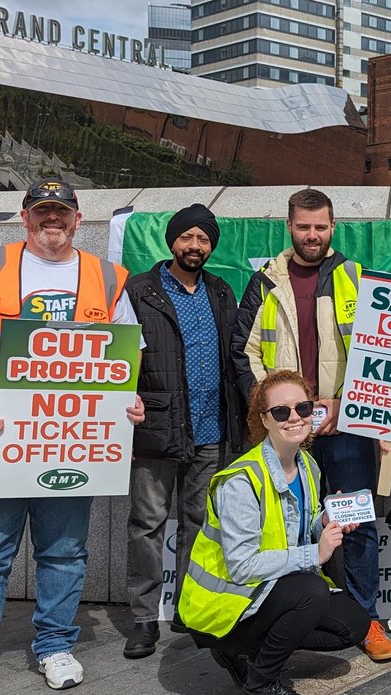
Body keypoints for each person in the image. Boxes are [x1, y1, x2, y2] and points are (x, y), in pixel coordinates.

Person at [0, 178, 145, 695]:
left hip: (69, 442)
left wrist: (129, 402)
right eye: (42, 211)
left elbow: (124, 353)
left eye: (62, 212)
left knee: (65, 552)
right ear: (25, 217)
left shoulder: (107, 276)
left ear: (77, 218)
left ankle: (54, 647)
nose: (53, 220)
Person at [230, 189, 391, 662]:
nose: (313, 235)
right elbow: (245, 354)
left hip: (346, 427)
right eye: (304, 227)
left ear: (333, 226)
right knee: (287, 529)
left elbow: (378, 349)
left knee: (355, 524)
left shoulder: (355, 276)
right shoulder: (264, 281)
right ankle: (291, 619)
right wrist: (281, 412)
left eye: (321, 226)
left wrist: (349, 403)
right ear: (290, 226)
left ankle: (367, 621)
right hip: (287, 433)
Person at [179, 370, 369, 695]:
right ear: (263, 420)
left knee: (354, 624)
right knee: (311, 591)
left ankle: (246, 652)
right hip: (222, 606)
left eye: (302, 408)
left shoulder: (307, 464)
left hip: (262, 592)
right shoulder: (241, 480)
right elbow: (241, 566)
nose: (294, 418)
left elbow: (298, 526)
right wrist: (317, 553)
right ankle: (259, 687)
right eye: (281, 412)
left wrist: (325, 522)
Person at [122, 203, 245, 659]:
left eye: (204, 239)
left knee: (199, 523)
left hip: (211, 430)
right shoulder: (139, 290)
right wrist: (122, 423)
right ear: (172, 241)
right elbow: (119, 361)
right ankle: (143, 619)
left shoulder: (220, 290)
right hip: (154, 431)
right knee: (147, 525)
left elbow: (235, 357)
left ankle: (189, 610)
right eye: (187, 237)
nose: (195, 246)